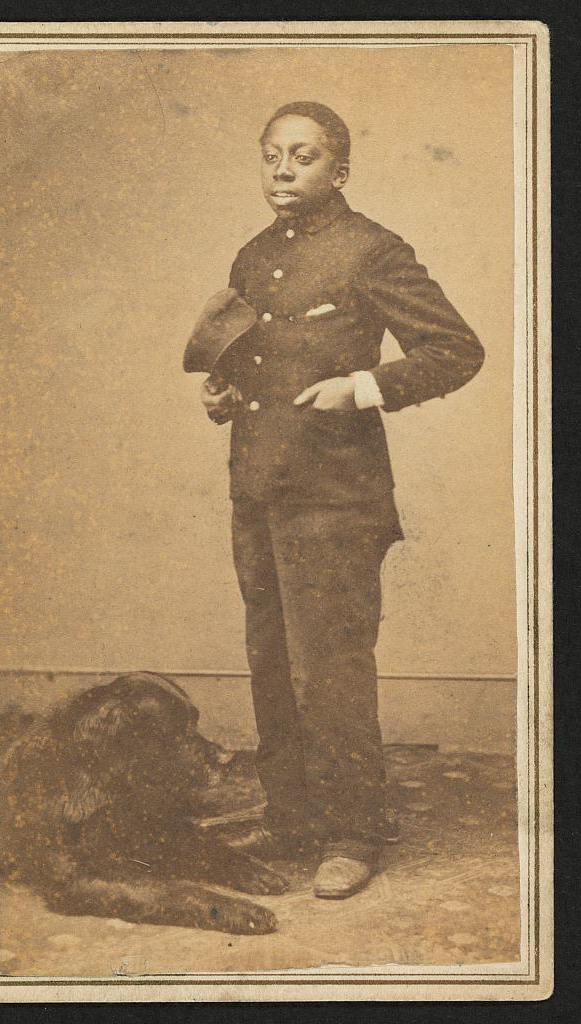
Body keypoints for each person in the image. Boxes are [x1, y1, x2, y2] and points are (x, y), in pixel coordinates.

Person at [197, 101, 484, 899]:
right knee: (271, 660)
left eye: (305, 156)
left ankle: (354, 830)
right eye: (272, 156)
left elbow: (458, 350)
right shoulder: (252, 256)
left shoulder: (372, 251)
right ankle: (290, 817)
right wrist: (223, 395)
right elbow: (249, 362)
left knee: (331, 670)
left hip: (336, 499)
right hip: (257, 489)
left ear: (339, 171)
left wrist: (363, 387)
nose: (284, 171)